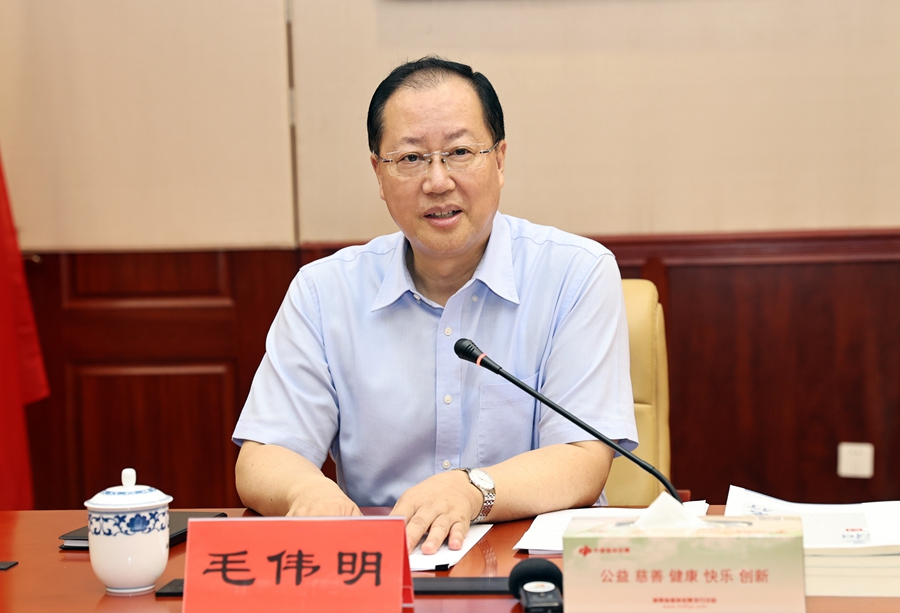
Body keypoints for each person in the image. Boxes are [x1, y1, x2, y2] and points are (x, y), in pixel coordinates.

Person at [233, 56, 638, 555]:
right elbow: (265, 453)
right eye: (410, 158)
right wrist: (307, 493)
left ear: (500, 160)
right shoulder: (324, 291)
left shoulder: (575, 273)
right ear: (379, 175)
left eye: (460, 152)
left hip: (531, 565)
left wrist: (471, 490)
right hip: (385, 565)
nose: (438, 181)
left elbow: (582, 457)